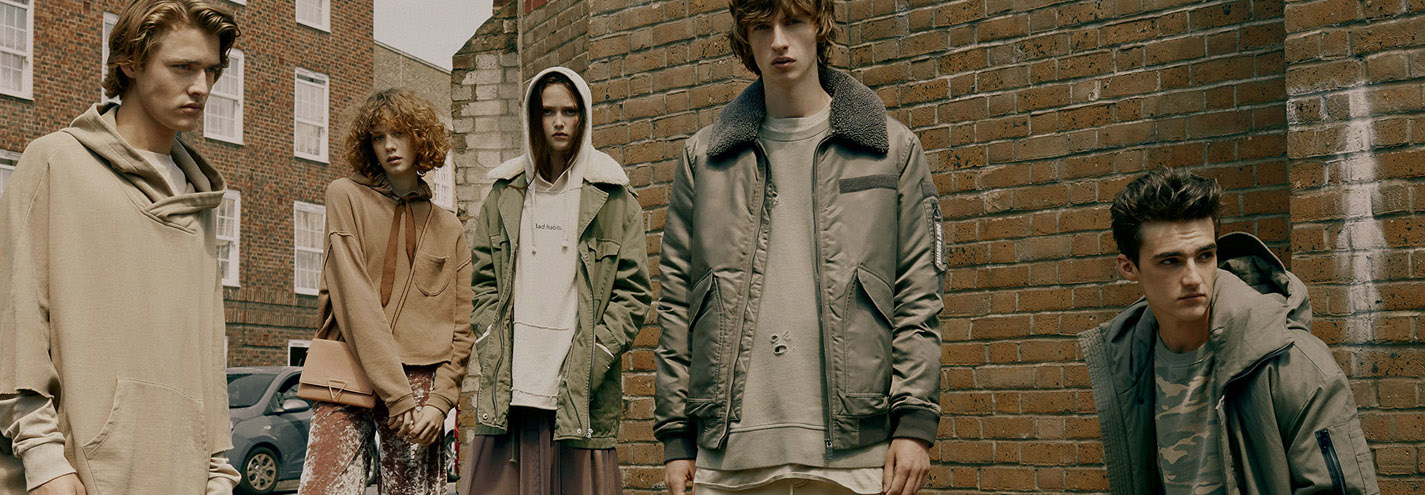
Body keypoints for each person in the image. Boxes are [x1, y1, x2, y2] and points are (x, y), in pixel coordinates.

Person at [653, 0, 946, 493]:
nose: (778, 41)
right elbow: (678, 303)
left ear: (819, 27)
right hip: (729, 457)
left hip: (854, 457)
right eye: (761, 27)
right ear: (745, 39)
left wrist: (914, 424)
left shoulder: (891, 150)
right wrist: (677, 438)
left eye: (792, 22)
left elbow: (919, 293)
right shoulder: (703, 158)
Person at [0, 1, 241, 494]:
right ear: (130, 62)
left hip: (183, 475)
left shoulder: (198, 200)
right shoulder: (56, 161)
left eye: (211, 70)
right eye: (183, 67)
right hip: (73, 473)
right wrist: (44, 459)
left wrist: (218, 470)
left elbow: (205, 347)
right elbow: (16, 317)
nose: (202, 86)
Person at [1079, 168, 1380, 495]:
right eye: (1170, 261)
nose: (1193, 278)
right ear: (1129, 267)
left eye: (1204, 256)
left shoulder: (1292, 364)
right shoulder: (1128, 362)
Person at [458, 66, 652, 495]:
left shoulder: (613, 196)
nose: (559, 122)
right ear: (534, 117)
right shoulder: (505, 193)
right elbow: (483, 282)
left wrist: (597, 356)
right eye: (548, 112)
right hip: (511, 389)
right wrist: (489, 338)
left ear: (584, 116)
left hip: (579, 391)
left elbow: (633, 294)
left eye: (569, 111)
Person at [296, 88, 474, 495]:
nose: (390, 145)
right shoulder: (344, 196)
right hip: (349, 364)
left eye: (400, 133)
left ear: (420, 137)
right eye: (378, 137)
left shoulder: (449, 227)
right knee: (324, 488)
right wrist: (397, 396)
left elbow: (461, 327)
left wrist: (440, 401)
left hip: (420, 379)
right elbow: (354, 300)